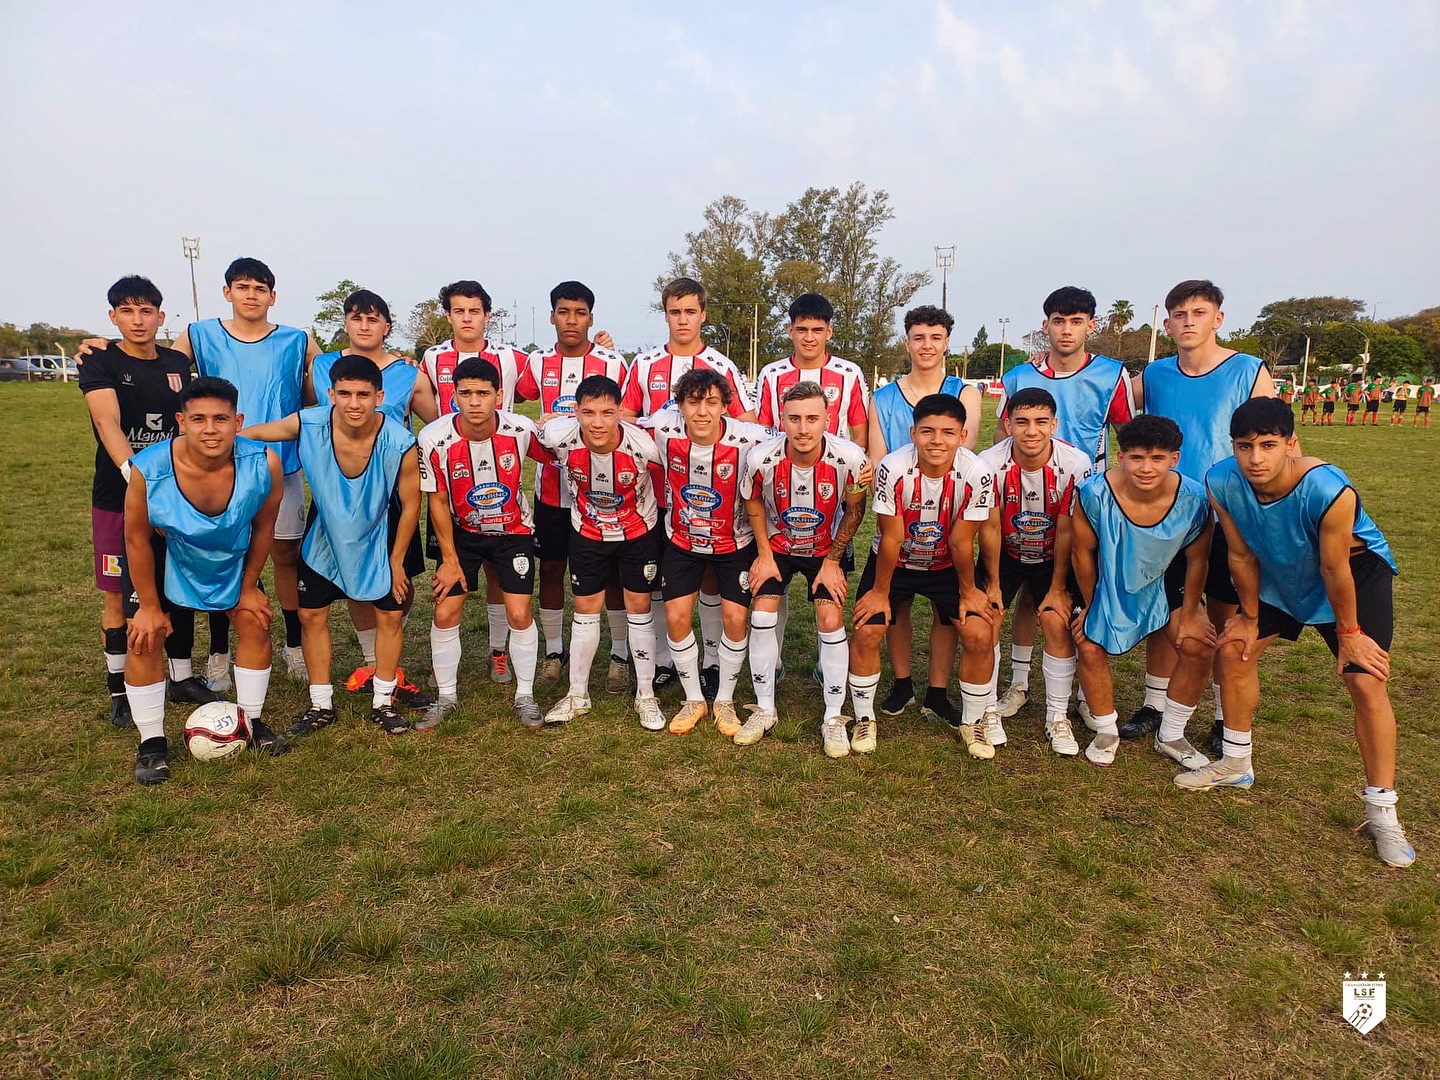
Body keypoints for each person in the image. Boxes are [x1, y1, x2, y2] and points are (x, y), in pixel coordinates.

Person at [76, 258, 320, 690]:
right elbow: (148, 367)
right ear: (227, 292)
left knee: (279, 557)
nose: (250, 294)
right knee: (191, 563)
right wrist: (103, 347)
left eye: (260, 288)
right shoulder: (198, 335)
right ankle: (213, 656)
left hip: (274, 468)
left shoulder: (298, 340)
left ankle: (292, 647)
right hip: (193, 475)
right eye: (241, 286)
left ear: (273, 297)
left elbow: (324, 389)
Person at [1197, 398, 1413, 867]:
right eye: (1245, 446)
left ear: (1292, 444)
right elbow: (1240, 555)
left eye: (1269, 445)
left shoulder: (1328, 488)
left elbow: (1334, 567)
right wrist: (1250, 615)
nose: (1256, 458)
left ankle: (1382, 811)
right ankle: (1236, 763)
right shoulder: (1220, 481)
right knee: (1235, 649)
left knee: (1363, 677)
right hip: (1281, 571)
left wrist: (1350, 632)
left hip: (1353, 575)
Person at [242, 355, 422, 737]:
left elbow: (411, 505)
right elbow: (253, 435)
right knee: (312, 617)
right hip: (323, 539)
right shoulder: (308, 422)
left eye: (363, 394)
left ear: (379, 395)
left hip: (377, 536)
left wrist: (397, 560)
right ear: (330, 394)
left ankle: (383, 701)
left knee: (389, 617)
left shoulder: (400, 441)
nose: (354, 403)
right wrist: (215, 446)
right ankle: (320, 704)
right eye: (344, 393)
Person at [1129, 279, 1273, 752]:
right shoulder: (1153, 375)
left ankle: (1218, 711)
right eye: (1179, 314)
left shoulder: (1249, 371)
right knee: (1165, 609)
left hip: (1229, 511)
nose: (1188, 322)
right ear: (1167, 323)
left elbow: (1276, 445)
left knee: (1224, 614)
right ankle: (1154, 704)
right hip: (1169, 512)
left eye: (1198, 312)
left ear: (1218, 318)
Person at [121, 377, 286, 784]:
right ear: (181, 421)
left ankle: (251, 721)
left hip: (231, 554)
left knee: (255, 620)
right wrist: (148, 606)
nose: (210, 429)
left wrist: (249, 586)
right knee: (145, 635)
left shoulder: (265, 462)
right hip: (166, 554)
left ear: (238, 421)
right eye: (198, 419)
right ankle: (151, 743)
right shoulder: (148, 468)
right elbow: (136, 538)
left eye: (220, 419)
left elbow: (264, 529)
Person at [80, 275, 218, 727]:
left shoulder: (177, 361)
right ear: (113, 316)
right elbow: (108, 423)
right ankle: (119, 689)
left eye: (146, 312)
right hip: (118, 497)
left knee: (175, 587)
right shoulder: (99, 359)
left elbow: (186, 427)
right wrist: (136, 477)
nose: (137, 321)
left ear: (161, 316)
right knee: (121, 598)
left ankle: (181, 677)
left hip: (174, 496)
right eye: (127, 311)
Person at [993, 286, 1136, 718]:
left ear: (1091, 325)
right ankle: (1018, 685)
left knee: (1075, 594)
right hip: (1026, 500)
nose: (1067, 330)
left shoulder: (1112, 374)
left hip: (1083, 500)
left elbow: (1127, 439)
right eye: (1059, 321)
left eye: (1076, 321)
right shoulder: (1019, 376)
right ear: (1046, 326)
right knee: (1024, 596)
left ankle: (1077, 687)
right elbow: (1003, 435)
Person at [622, 277, 756, 697]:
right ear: (665, 314)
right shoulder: (644, 365)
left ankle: (714, 661)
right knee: (667, 581)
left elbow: (746, 422)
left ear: (703, 314)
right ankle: (664, 660)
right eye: (674, 312)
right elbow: (625, 416)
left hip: (714, 497)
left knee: (714, 580)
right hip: (656, 495)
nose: (682, 320)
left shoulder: (723, 365)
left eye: (690, 311)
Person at [849, 395, 995, 757]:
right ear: (913, 433)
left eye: (948, 432)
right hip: (894, 561)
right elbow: (892, 537)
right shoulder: (893, 467)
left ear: (963, 436)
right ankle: (865, 717)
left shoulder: (978, 472)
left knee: (978, 632)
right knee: (869, 627)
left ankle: (970, 720)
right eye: (927, 431)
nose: (936, 440)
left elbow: (962, 542)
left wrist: (970, 590)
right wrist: (880, 592)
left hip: (948, 562)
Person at [312, 290, 437, 706]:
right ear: (345, 323)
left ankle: (389, 660)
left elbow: (437, 427)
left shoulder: (409, 374)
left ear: (387, 325)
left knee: (398, 579)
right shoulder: (322, 366)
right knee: (354, 578)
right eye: (356, 317)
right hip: (339, 490)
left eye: (374, 318)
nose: (364, 325)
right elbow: (306, 417)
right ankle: (372, 662)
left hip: (392, 491)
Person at [1070, 415, 1217, 767]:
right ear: (1121, 458)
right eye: (1137, 457)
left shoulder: (1195, 498)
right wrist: (1090, 605)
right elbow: (1082, 552)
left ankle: (1172, 735)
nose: (1146, 468)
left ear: (1174, 459)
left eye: (1157, 458)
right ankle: (1106, 730)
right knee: (1089, 643)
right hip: (1109, 571)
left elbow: (1198, 560)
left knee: (1198, 646)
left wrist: (1193, 609)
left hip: (1166, 575)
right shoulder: (1093, 493)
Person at [736, 381, 869, 753]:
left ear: (828, 419)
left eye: (812, 418)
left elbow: (855, 510)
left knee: (830, 619)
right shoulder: (762, 457)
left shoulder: (851, 458)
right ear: (782, 419)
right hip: (778, 544)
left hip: (825, 548)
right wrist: (763, 554)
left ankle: (833, 717)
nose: (803, 427)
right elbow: (753, 504)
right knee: (761, 614)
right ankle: (764, 709)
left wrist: (832, 561)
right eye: (794, 418)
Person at [513, 281, 632, 693]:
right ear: (552, 316)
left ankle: (619, 655)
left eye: (579, 313)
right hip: (552, 489)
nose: (571, 320)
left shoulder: (614, 363)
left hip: (606, 490)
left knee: (613, 572)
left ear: (591, 318)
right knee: (550, 568)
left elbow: (629, 418)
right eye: (563, 312)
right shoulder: (536, 362)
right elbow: (514, 399)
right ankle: (553, 651)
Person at [418, 359, 550, 730]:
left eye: (483, 393)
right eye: (466, 393)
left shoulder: (520, 429)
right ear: (454, 396)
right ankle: (446, 698)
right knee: (445, 613)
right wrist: (448, 559)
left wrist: (558, 425)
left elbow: (558, 454)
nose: (474, 401)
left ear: (499, 395)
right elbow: (438, 501)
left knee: (520, 614)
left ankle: (525, 696)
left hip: (515, 533)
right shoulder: (433, 438)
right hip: (462, 535)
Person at [868, 305, 984, 723]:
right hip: (899, 511)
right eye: (919, 337)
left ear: (947, 342)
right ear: (907, 342)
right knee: (894, 608)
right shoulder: (881, 397)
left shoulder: (965, 391)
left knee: (946, 612)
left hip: (949, 512)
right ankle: (902, 683)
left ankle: (937, 691)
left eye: (936, 337)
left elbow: (962, 455)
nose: (927, 345)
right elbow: (879, 457)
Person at [646, 370, 773, 737]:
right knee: (675, 617)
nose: (702, 412)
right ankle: (693, 700)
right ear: (680, 405)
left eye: (711, 402)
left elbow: (795, 441)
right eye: (693, 402)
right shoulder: (662, 428)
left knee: (735, 619)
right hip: (682, 540)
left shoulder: (750, 438)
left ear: (725, 406)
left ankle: (725, 701)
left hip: (735, 542)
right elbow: (617, 422)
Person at [535, 376, 666, 730]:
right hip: (588, 532)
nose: (597, 422)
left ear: (621, 412)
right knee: (585, 608)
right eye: (588, 412)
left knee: (639, 608)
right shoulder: (559, 434)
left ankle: (645, 696)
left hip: (638, 531)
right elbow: (530, 435)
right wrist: (544, 419)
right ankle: (578, 694)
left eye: (607, 413)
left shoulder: (644, 444)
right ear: (575, 411)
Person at [752, 293, 870, 680]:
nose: (808, 337)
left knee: (829, 581)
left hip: (831, 496)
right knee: (774, 580)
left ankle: (826, 663)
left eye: (817, 330)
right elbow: (762, 431)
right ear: (790, 331)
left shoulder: (849, 374)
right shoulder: (771, 375)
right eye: (801, 329)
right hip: (780, 491)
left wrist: (855, 477)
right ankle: (775, 662)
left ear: (829, 331)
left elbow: (858, 432)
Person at [420, 280, 532, 683]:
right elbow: (416, 394)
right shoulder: (431, 358)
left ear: (487, 315)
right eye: (458, 311)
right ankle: (443, 668)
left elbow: (545, 382)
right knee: (451, 585)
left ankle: (497, 651)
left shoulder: (510, 357)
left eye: (474, 311)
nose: (466, 318)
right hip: (455, 487)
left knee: (500, 583)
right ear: (448, 315)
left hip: (503, 478)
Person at [975, 388, 1093, 756]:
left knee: (1056, 620)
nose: (1031, 431)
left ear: (1054, 424)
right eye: (1022, 422)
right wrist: (992, 585)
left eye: (1041, 422)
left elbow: (1068, 530)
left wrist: (1058, 587)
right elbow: (990, 527)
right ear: (1007, 423)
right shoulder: (988, 462)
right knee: (986, 618)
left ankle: (1057, 717)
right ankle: (989, 708)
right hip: (1005, 551)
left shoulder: (1076, 463)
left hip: (1054, 553)